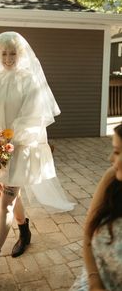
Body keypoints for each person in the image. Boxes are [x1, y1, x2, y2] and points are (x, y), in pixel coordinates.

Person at [0, 31, 75, 287]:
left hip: (18, 149)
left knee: (5, 202)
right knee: (6, 195)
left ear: (21, 54)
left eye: (13, 53)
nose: (8, 58)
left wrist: (7, 139)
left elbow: (32, 118)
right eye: (4, 53)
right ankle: (25, 231)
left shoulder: (30, 81)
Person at [70, 123, 122, 291]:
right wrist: (94, 280)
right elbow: (88, 234)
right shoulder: (112, 180)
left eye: (117, 152)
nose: (110, 159)